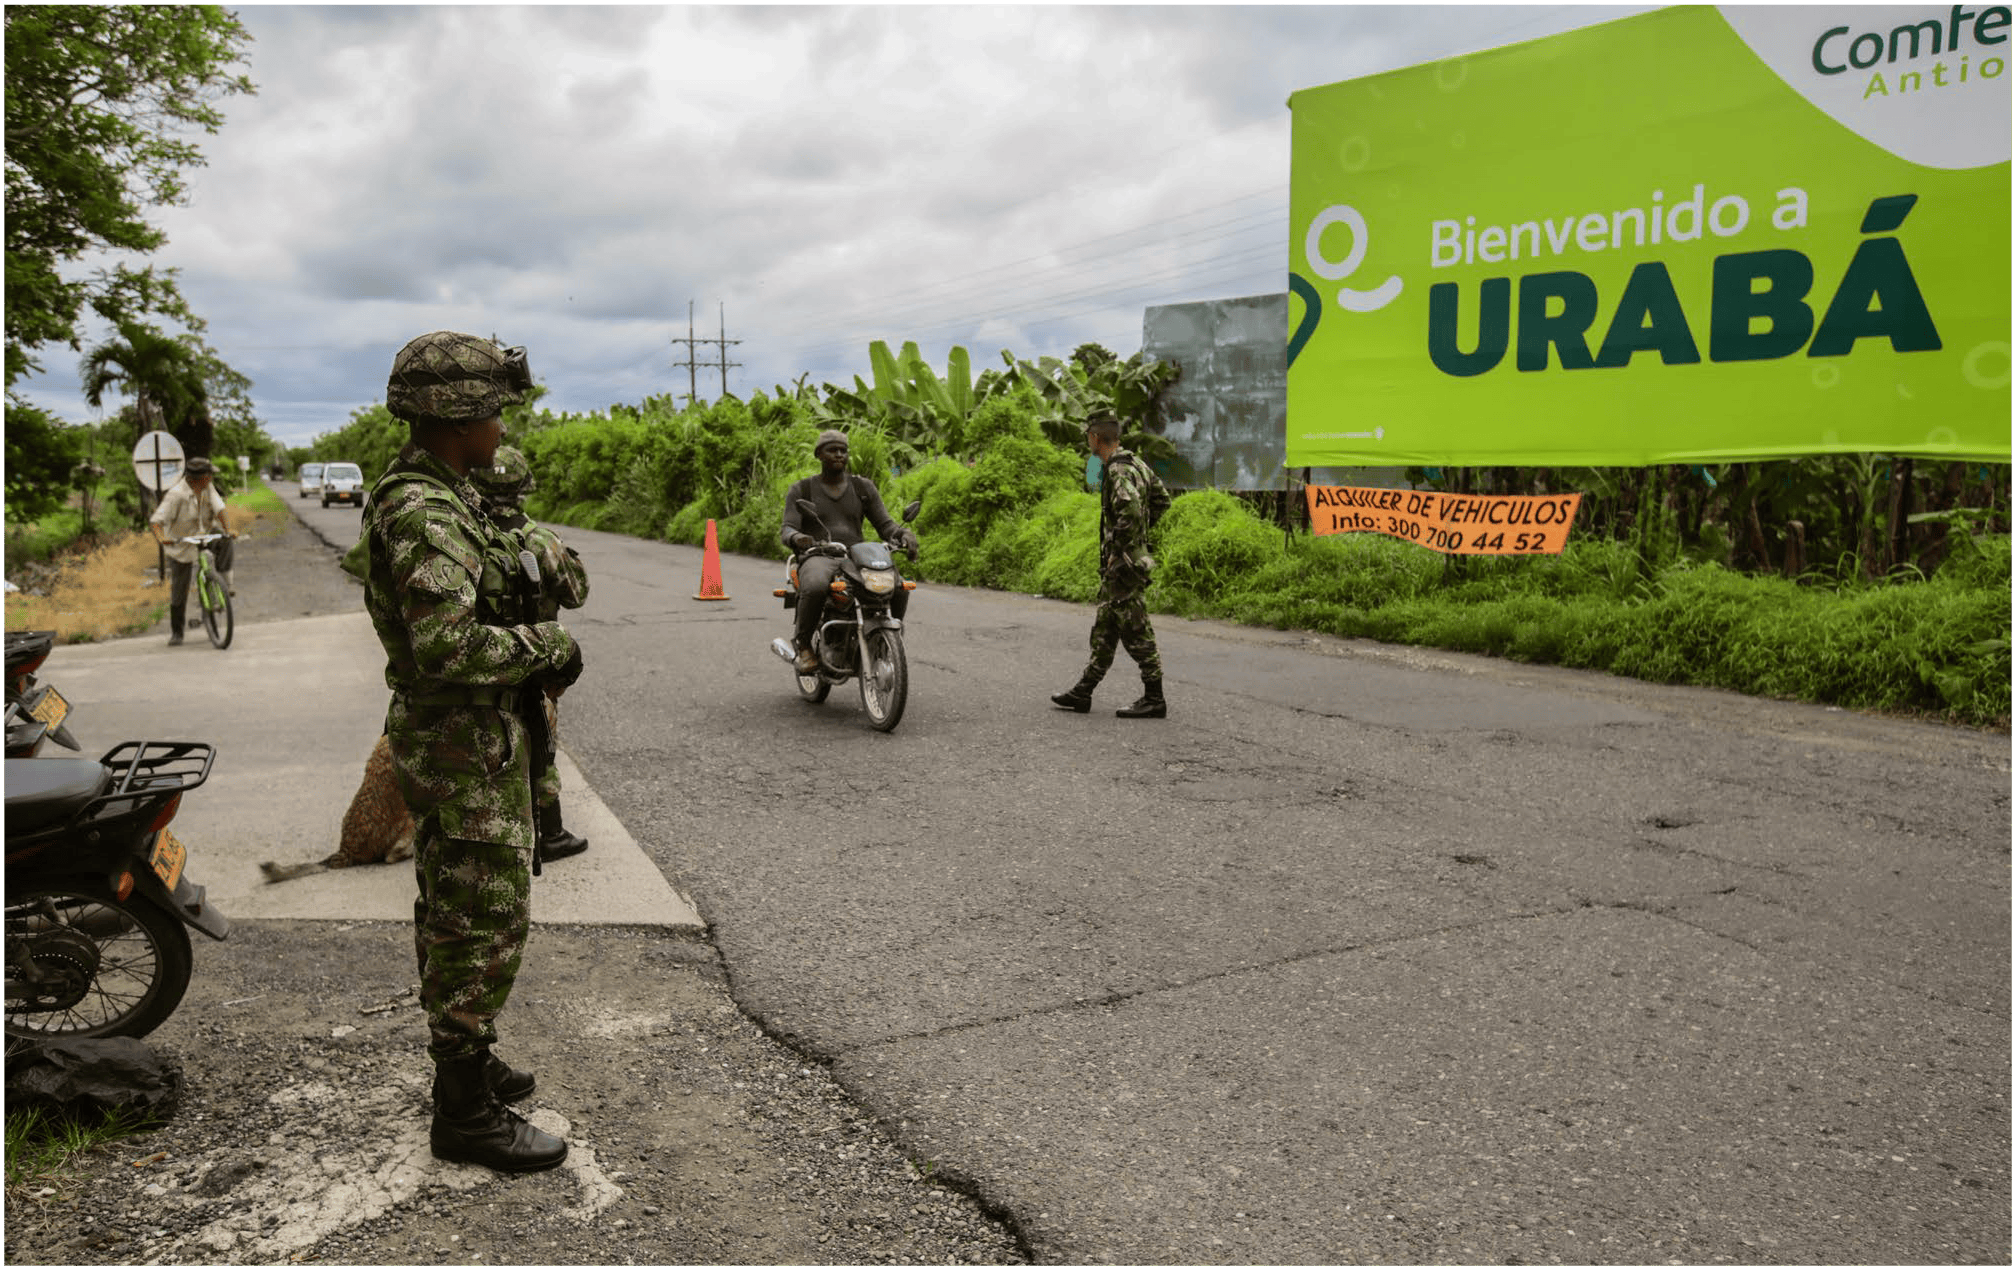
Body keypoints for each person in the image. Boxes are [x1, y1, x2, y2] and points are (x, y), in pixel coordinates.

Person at [361, 330, 584, 1174]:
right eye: (493, 411)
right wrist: (548, 646)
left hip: (472, 738)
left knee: (457, 906)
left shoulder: (451, 495)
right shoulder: (424, 511)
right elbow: (446, 646)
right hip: (459, 741)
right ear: (458, 418)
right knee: (481, 916)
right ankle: (463, 1114)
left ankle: (469, 1061)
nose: (502, 426)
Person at [468, 444, 592, 862]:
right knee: (540, 736)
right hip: (534, 659)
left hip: (477, 658)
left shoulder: (462, 532)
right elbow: (577, 593)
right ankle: (549, 831)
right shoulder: (538, 539)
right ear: (523, 487)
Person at [1051, 414, 1172, 719]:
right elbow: (1162, 501)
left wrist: (1121, 549)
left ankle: (1154, 697)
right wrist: (1142, 539)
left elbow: (1129, 512)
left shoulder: (1117, 471)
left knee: (1136, 630)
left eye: (1087, 437)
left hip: (1124, 566)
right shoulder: (1136, 464)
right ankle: (1083, 691)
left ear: (1095, 437)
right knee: (1105, 628)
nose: (1087, 441)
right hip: (1130, 560)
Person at [779, 429, 917, 674]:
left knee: (898, 586)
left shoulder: (863, 487)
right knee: (816, 586)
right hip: (818, 555)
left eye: (843, 450)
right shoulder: (802, 489)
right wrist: (797, 538)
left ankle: (888, 638)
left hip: (856, 556)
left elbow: (885, 525)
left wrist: (903, 534)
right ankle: (803, 644)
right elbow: (787, 528)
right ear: (819, 455)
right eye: (832, 450)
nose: (839, 454)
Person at [148, 456, 236, 646]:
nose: (211, 478)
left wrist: (228, 529)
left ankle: (224, 583)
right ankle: (177, 632)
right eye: (209, 475)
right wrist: (162, 538)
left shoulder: (208, 488)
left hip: (203, 533)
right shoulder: (176, 495)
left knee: (225, 540)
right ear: (198, 478)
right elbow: (156, 521)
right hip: (181, 542)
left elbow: (220, 509)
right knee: (180, 588)